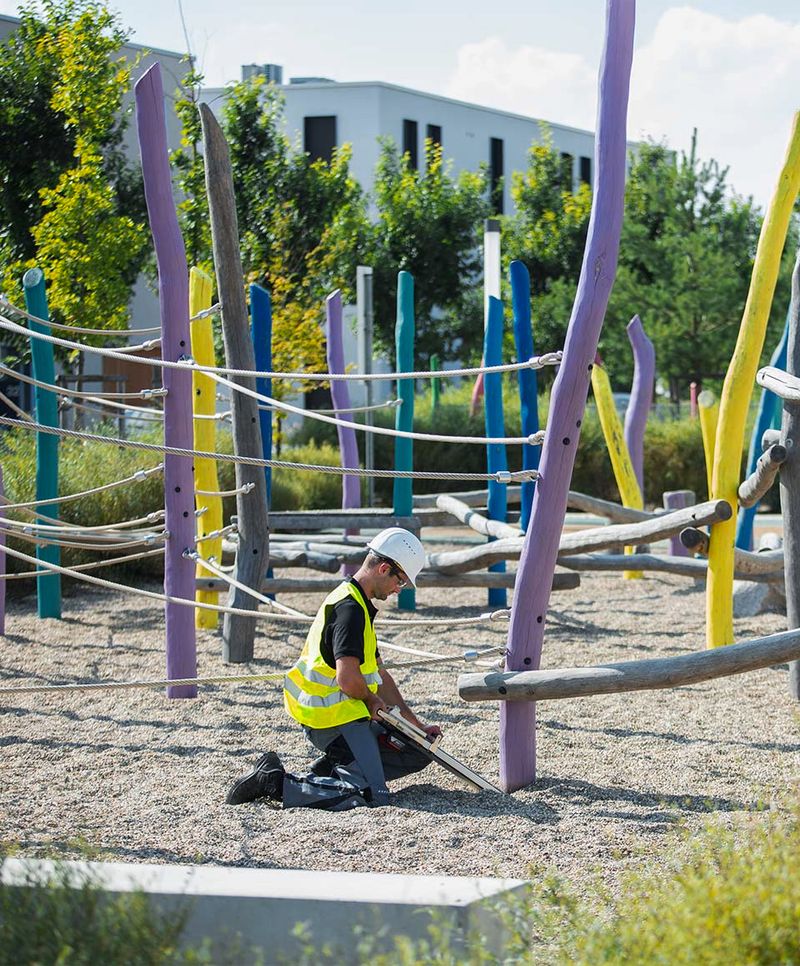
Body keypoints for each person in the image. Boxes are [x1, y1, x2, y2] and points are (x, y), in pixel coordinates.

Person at [225, 527, 442, 810]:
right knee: (370, 795)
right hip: (332, 719)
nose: (399, 589)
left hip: (350, 714)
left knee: (416, 750)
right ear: (384, 568)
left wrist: (416, 726)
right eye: (400, 580)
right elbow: (348, 680)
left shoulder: (359, 604)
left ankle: (332, 771)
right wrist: (371, 700)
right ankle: (274, 782)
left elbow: (380, 675)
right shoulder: (350, 610)